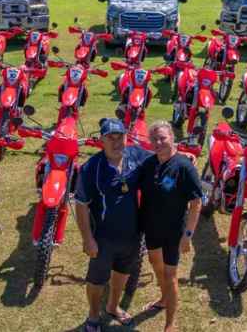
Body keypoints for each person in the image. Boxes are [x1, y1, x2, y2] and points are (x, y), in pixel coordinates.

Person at [74, 118, 151, 332]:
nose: (117, 143)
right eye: (111, 138)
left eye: (121, 137)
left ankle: (113, 306)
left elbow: (160, 160)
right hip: (103, 238)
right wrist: (88, 239)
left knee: (122, 273)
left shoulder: (135, 155)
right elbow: (81, 206)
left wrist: (180, 158)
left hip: (133, 236)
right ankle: (92, 315)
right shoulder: (91, 168)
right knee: (97, 280)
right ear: (102, 140)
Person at [137, 120, 202, 332]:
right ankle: (164, 297)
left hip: (174, 231)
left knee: (170, 275)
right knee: (155, 263)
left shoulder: (184, 167)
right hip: (151, 227)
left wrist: (188, 235)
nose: (158, 142)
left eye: (162, 138)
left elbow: (196, 203)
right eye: (154, 139)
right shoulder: (149, 163)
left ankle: (170, 323)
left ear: (172, 139)